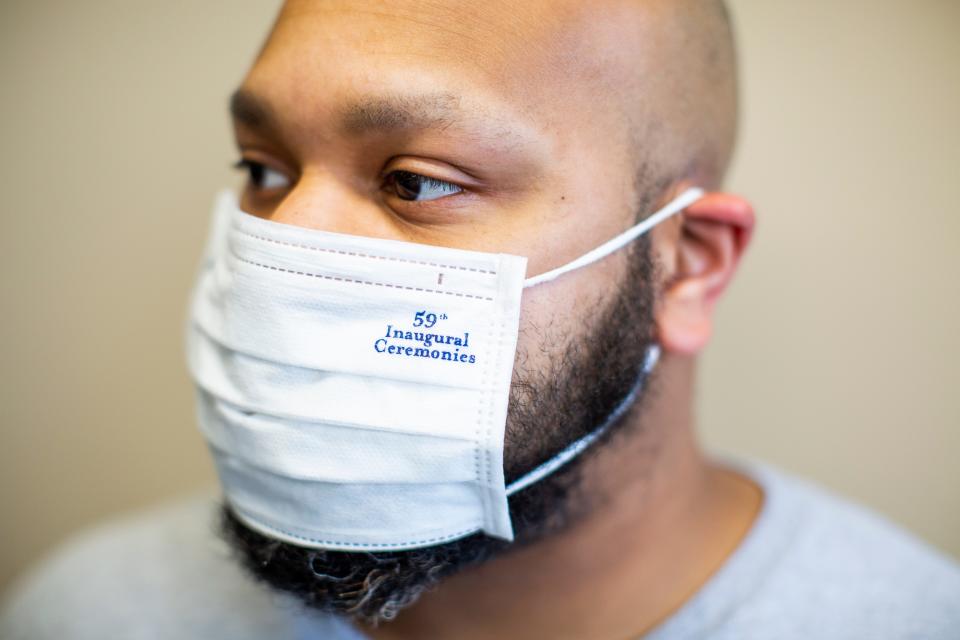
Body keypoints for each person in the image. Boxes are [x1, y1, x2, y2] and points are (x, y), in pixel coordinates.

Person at [3, 1, 959, 638]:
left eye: (417, 181)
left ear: (688, 266)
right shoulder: (87, 611)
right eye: (263, 169)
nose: (282, 248)